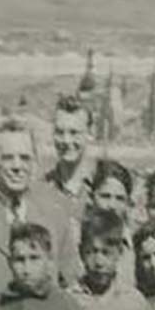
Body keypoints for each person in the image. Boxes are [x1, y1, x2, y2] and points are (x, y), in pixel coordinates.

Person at [0, 117, 80, 298]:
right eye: (7, 158)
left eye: (24, 158)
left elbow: (71, 287)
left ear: (35, 163)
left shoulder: (56, 217)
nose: (17, 166)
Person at [44, 94, 95, 229]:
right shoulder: (40, 188)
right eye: (60, 132)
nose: (66, 141)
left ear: (90, 134)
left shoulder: (103, 187)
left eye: (74, 133)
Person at [88, 159, 135, 285]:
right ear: (92, 197)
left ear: (128, 203)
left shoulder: (135, 243)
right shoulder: (76, 238)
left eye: (119, 198)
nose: (112, 205)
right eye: (105, 196)